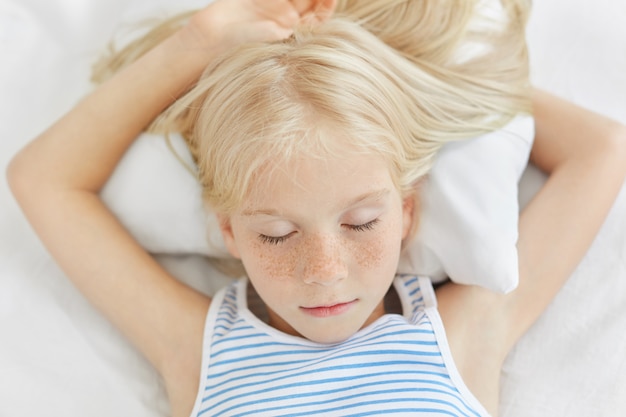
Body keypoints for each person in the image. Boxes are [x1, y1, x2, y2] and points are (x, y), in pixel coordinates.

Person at [6, 1, 626, 416]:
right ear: (228, 230)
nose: (324, 269)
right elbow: (42, 179)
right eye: (276, 234)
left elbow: (604, 149)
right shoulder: (199, 350)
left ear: (407, 211)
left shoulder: (458, 337)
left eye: (362, 223)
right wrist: (194, 45)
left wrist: (422, 76)